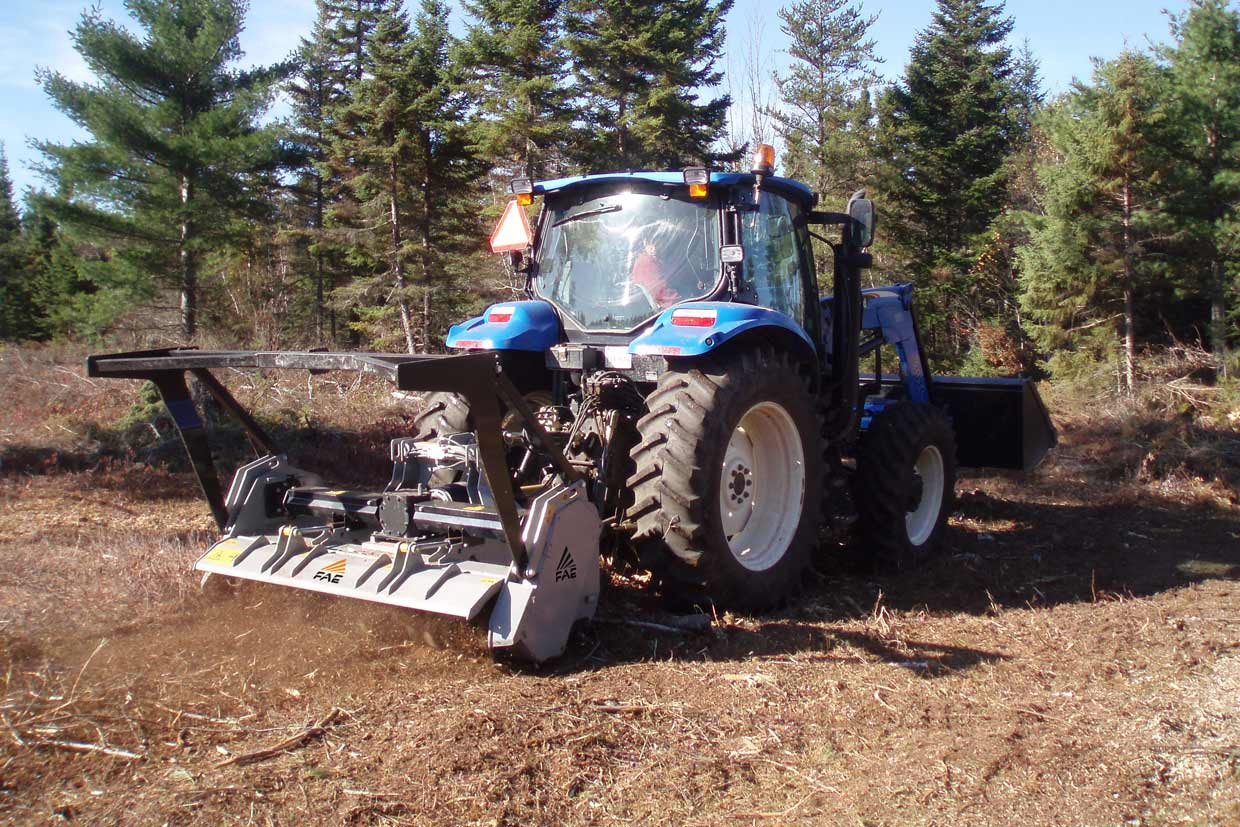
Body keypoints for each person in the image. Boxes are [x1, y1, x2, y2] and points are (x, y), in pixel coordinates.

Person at [628, 238, 682, 308]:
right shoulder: (646, 263)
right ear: (645, 244)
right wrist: (679, 300)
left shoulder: (654, 259)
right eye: (651, 245)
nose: (654, 249)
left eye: (658, 244)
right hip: (663, 308)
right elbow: (659, 293)